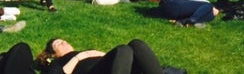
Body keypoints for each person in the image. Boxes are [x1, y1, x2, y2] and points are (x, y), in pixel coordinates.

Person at [35, 38, 165, 74]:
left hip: (114, 68)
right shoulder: (59, 62)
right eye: (58, 44)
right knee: (124, 49)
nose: (64, 43)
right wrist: (78, 58)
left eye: (64, 40)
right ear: (54, 54)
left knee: (136, 44)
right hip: (94, 71)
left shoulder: (85, 51)